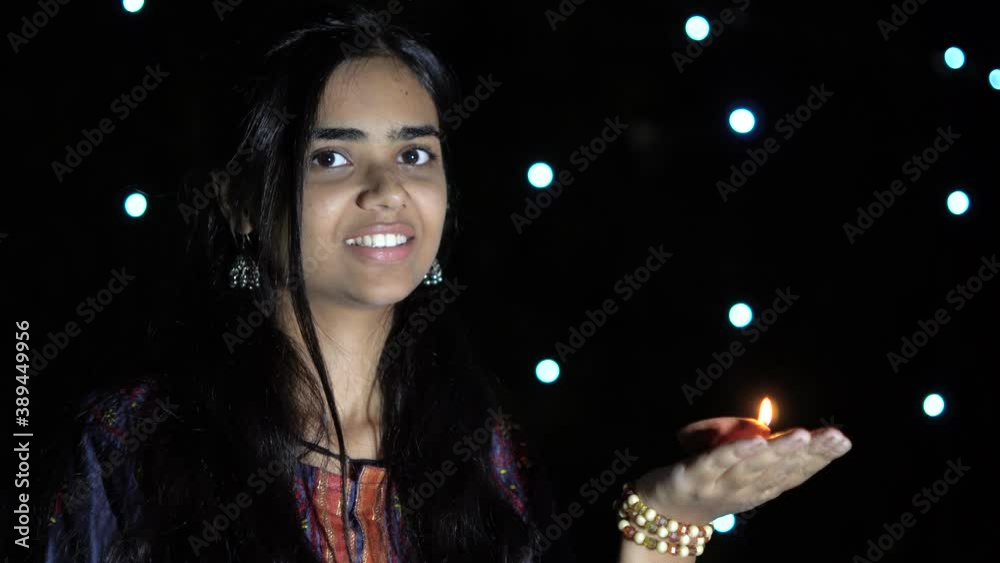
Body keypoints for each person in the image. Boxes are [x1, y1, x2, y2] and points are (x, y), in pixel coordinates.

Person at [42, 8, 851, 563]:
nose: (385, 187)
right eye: (331, 156)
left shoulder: (478, 445)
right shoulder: (136, 442)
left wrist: (665, 521)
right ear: (244, 203)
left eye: (415, 153)